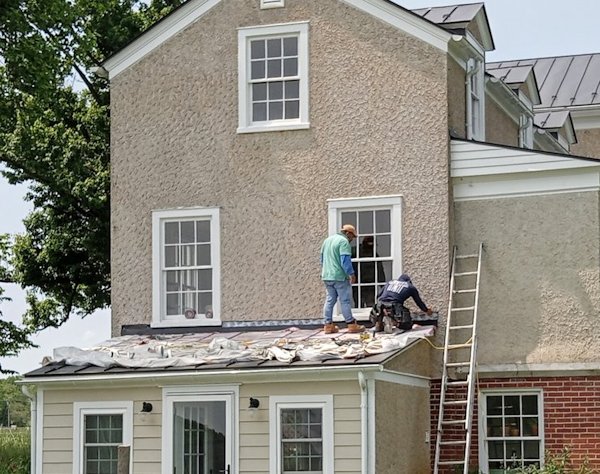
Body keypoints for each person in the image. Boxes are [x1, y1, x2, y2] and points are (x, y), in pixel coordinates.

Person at [320, 224, 365, 334]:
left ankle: (328, 325)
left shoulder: (327, 240)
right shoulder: (343, 242)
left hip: (327, 275)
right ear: (348, 233)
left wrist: (326, 271)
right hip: (339, 276)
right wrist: (351, 274)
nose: (351, 240)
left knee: (330, 299)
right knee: (345, 300)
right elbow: (345, 260)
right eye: (352, 237)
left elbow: (322, 259)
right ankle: (351, 324)